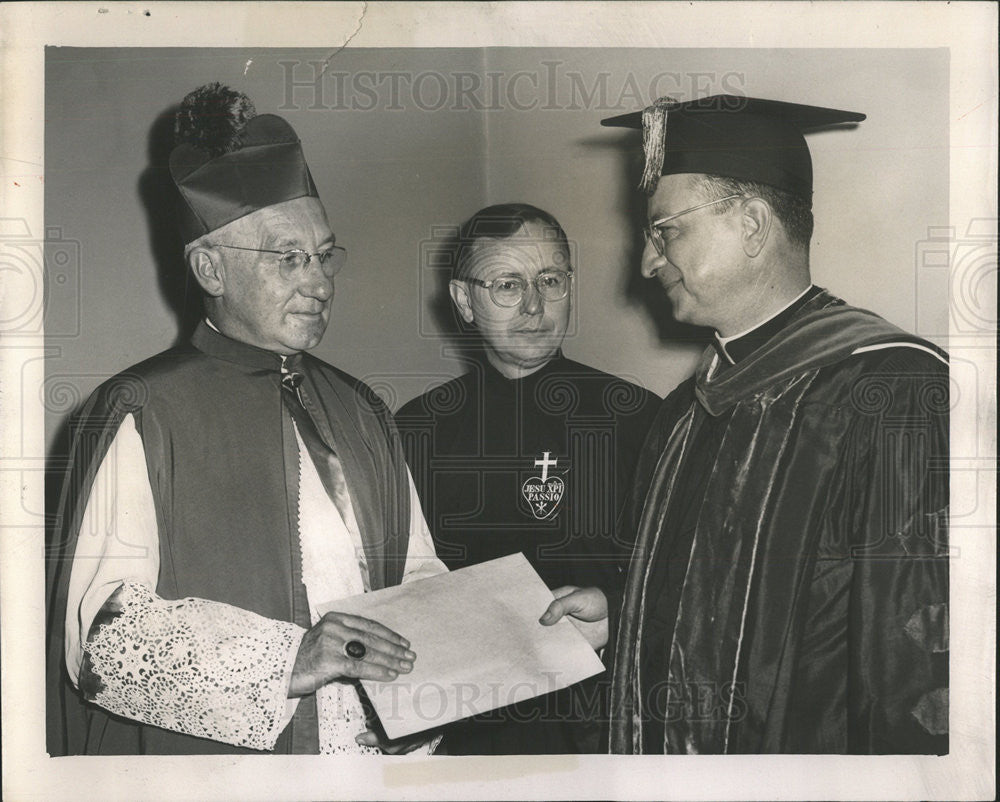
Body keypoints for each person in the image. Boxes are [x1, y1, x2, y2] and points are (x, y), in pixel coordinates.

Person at [46, 83, 446, 755]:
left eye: (324, 255)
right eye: (287, 256)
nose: (318, 281)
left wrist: (423, 698)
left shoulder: (362, 409)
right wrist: (289, 660)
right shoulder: (145, 410)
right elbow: (103, 636)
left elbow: (418, 578)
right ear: (209, 269)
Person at [541, 95, 949, 754]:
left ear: (754, 226)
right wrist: (624, 615)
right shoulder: (683, 412)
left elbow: (911, 668)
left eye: (665, 230)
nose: (646, 263)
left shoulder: (891, 392)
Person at [396, 203, 661, 754]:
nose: (536, 306)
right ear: (465, 301)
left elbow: (691, 570)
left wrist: (616, 603)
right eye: (508, 285)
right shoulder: (415, 429)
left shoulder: (640, 417)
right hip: (464, 726)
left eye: (551, 280)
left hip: (603, 719)